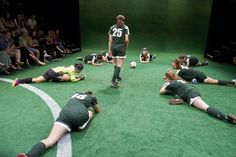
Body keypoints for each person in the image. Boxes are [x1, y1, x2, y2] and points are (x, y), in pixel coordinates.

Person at [17, 91, 100, 157]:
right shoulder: (92, 97)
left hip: (65, 114)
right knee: (90, 112)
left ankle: (28, 155)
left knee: (50, 140)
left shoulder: (76, 93)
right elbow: (97, 110)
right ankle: (78, 124)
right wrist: (91, 105)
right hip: (79, 117)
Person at [159, 71, 236, 124]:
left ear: (168, 79)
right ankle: (178, 98)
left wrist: (166, 83)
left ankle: (227, 118)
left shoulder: (170, 83)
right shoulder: (180, 80)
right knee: (176, 92)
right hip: (194, 91)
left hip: (190, 94)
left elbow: (161, 92)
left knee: (206, 108)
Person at [12, 63, 85, 86]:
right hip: (54, 74)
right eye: (78, 70)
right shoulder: (72, 70)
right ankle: (54, 79)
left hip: (50, 70)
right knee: (69, 78)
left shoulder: (72, 66)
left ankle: (18, 81)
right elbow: (73, 80)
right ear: (77, 69)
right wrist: (79, 78)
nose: (78, 71)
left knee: (36, 80)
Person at [171, 60, 236, 86]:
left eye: (173, 65)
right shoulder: (183, 66)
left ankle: (233, 82)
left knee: (216, 81)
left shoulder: (178, 71)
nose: (172, 66)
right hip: (200, 74)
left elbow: (175, 79)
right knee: (215, 81)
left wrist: (169, 76)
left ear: (176, 65)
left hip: (201, 77)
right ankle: (233, 82)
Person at [108, 15, 130, 88]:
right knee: (119, 65)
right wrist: (125, 48)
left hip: (113, 47)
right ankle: (113, 81)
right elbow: (126, 40)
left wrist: (109, 50)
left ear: (116, 20)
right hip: (121, 47)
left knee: (116, 63)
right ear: (124, 20)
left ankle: (117, 77)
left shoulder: (112, 27)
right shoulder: (125, 27)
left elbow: (110, 40)